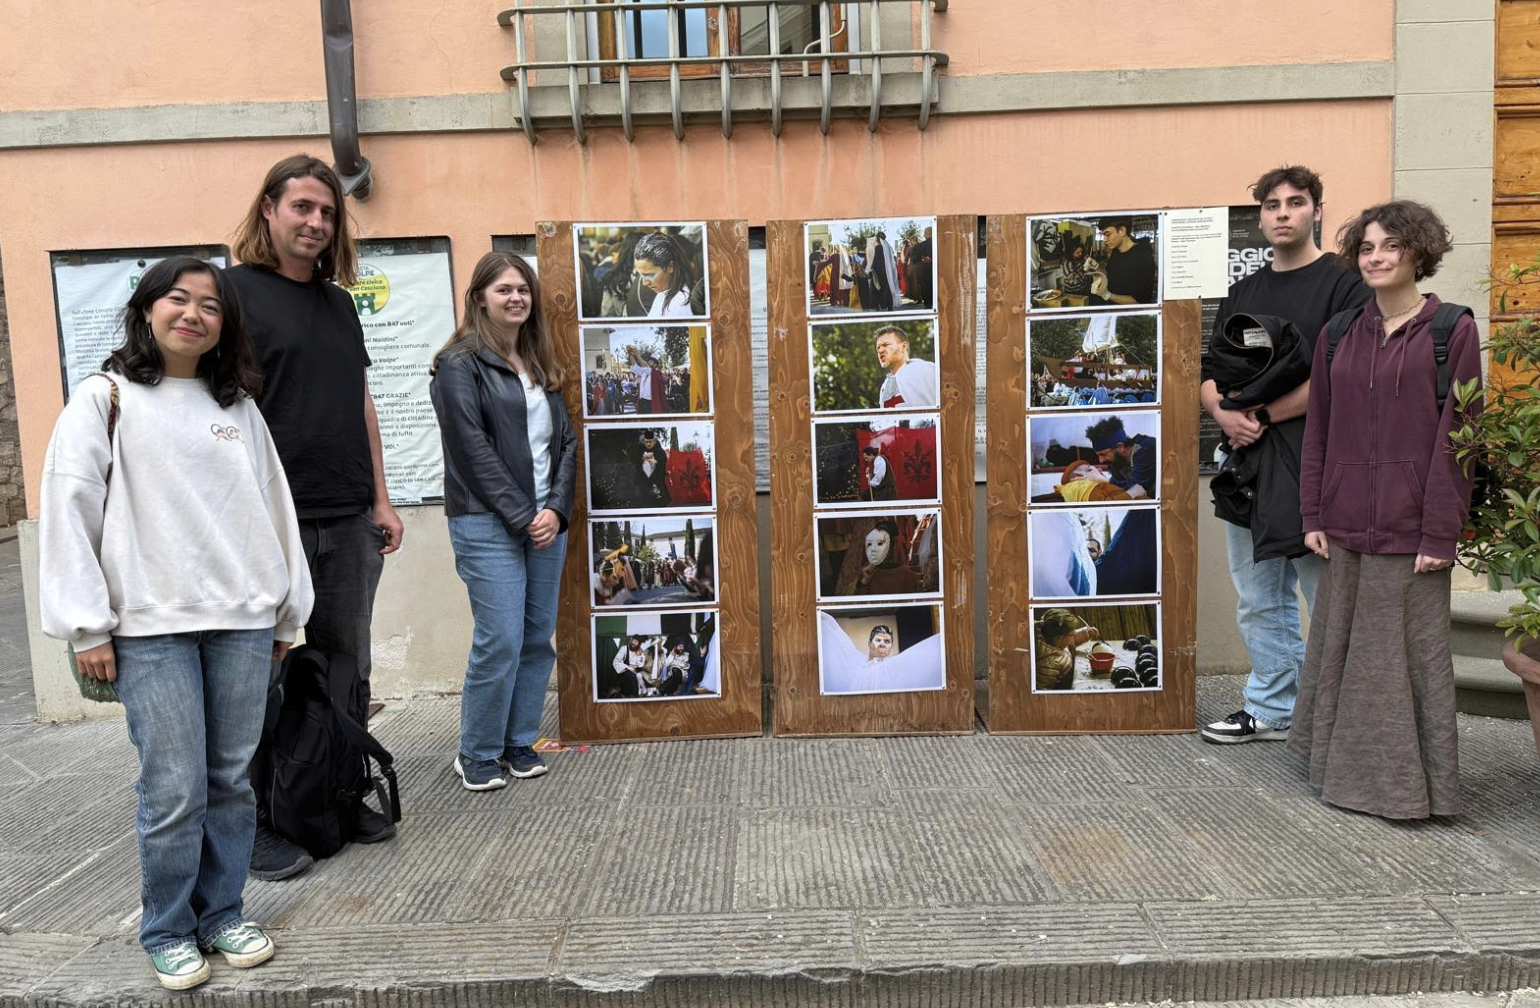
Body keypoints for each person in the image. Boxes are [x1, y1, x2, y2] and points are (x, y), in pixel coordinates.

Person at [39, 257, 313, 991]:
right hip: (149, 627)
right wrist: (86, 625)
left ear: (226, 326)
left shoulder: (237, 410)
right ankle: (166, 925)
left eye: (211, 306)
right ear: (147, 309)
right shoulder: (103, 398)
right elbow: (70, 510)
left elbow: (272, 511)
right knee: (174, 784)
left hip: (243, 621)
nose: (193, 314)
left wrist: (288, 611)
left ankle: (222, 912)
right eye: (178, 299)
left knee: (228, 780)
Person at [226, 154, 402, 881]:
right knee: (261, 678)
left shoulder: (337, 302)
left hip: (347, 515)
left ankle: (334, 791)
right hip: (270, 523)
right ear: (268, 210)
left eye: (327, 212)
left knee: (344, 670)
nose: (316, 222)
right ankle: (259, 821)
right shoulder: (232, 296)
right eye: (302, 207)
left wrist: (382, 500)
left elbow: (360, 404)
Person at [1291, 200, 1481, 819]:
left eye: (1390, 246)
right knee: (1342, 653)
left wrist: (1440, 533)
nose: (1376, 257)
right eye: (1367, 248)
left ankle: (1408, 791)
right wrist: (1313, 514)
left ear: (1418, 253)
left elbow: (1462, 440)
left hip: (1413, 532)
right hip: (1343, 525)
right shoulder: (1339, 333)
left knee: (1407, 662)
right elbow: (1318, 429)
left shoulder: (1452, 331)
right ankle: (1334, 774)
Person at [1198, 166, 1372, 746]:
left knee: (1324, 593)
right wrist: (1223, 414)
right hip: (1247, 466)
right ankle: (1273, 707)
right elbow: (1208, 373)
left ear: (1316, 212)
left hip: (1314, 464)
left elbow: (1342, 373)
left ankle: (1341, 715)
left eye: (1295, 203)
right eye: (1271, 205)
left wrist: (1267, 416)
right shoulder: (1244, 292)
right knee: (1257, 596)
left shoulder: (1345, 285)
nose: (1281, 213)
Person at [430, 251, 577, 792]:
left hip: (544, 521)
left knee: (537, 637)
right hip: (487, 523)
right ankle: (477, 751)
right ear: (479, 299)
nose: (516, 298)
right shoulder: (458, 365)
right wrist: (523, 515)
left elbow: (565, 443)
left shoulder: (538, 362)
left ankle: (519, 740)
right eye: (503, 290)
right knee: (501, 639)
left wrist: (556, 510)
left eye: (523, 289)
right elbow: (470, 450)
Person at [1084, 416, 1156, 499]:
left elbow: (1137, 487)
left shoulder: (1146, 449)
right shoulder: (1119, 460)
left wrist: (1103, 479)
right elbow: (1118, 483)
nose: (1100, 461)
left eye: (1103, 454)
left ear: (1120, 447)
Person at [634, 231, 700, 318]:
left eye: (650, 275)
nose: (644, 283)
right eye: (641, 275)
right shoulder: (663, 294)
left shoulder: (683, 302)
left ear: (670, 267)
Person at [1095, 216, 1157, 305]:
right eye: (1103, 235)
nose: (1105, 240)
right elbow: (1110, 274)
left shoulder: (1143, 258)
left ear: (1122, 231)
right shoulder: (1116, 251)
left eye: (1108, 234)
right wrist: (1097, 267)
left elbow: (1139, 301)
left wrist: (1108, 295)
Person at [1034, 609, 1099, 692]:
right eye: (1072, 634)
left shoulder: (1053, 638)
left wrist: (1086, 633)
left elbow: (1072, 640)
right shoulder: (1049, 665)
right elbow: (1042, 690)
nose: (1074, 634)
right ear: (1059, 638)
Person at [875, 325, 939, 409]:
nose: (880, 350)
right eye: (878, 348)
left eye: (886, 345)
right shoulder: (885, 385)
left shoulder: (924, 369)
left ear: (903, 346)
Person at [866, 231, 901, 311]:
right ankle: (889, 305)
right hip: (888, 271)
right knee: (887, 287)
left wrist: (871, 269)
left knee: (877, 287)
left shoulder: (878, 247)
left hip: (879, 271)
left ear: (877, 239)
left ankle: (877, 305)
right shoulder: (889, 247)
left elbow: (875, 260)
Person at [636, 429, 671, 506]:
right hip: (643, 485)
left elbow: (662, 464)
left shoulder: (659, 451)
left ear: (654, 442)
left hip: (656, 483)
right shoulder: (640, 451)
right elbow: (636, 463)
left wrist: (654, 461)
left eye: (650, 442)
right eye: (646, 442)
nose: (648, 444)